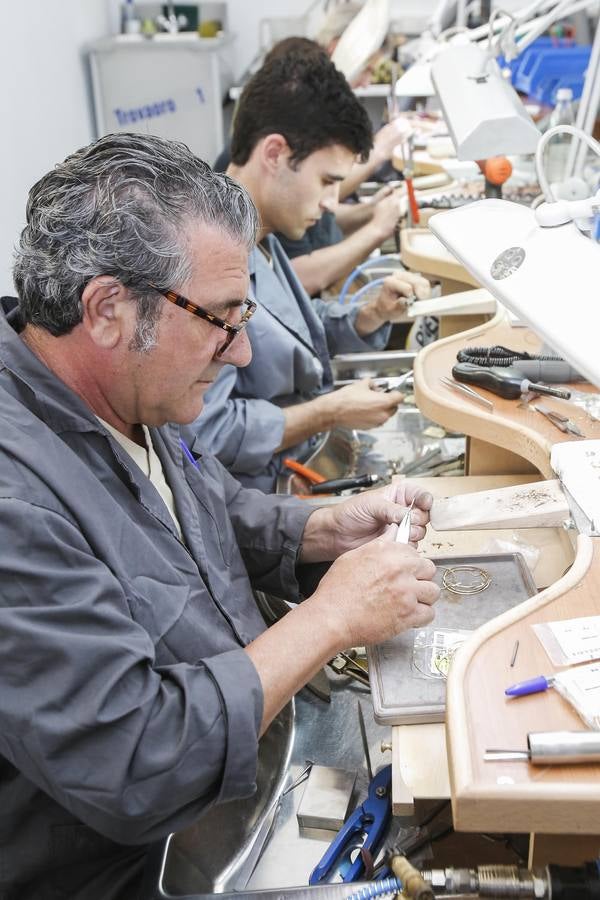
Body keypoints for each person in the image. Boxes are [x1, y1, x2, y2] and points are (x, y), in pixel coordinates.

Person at [0, 132, 439, 900]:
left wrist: (318, 530)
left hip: (253, 779)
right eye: (222, 319)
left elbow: (198, 507)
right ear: (106, 308)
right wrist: (333, 618)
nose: (239, 355)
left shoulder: (125, 388)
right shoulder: (17, 501)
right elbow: (137, 759)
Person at [197, 50, 430, 493]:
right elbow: (210, 431)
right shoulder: (209, 263)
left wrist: (368, 314)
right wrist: (328, 412)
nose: (330, 202)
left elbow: (286, 328)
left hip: (298, 467)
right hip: (257, 503)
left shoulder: (257, 234)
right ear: (275, 153)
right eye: (326, 180)